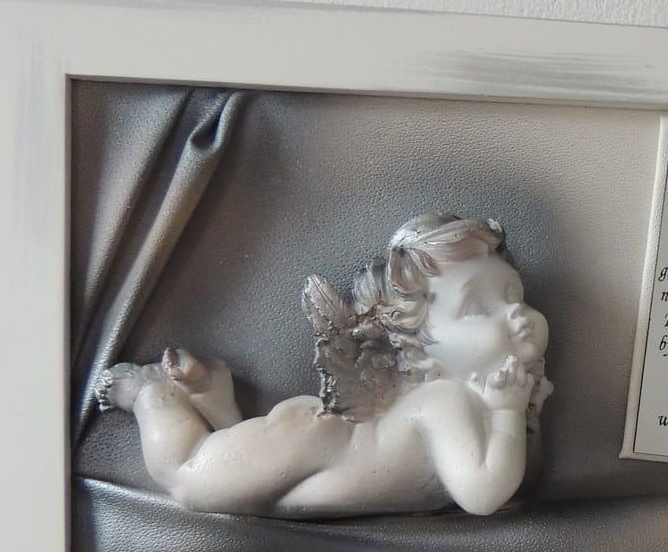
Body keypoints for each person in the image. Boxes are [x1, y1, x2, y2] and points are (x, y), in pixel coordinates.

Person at [96, 214, 552, 518]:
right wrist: (509, 413)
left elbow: (521, 481)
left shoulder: (495, 399)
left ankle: (214, 399)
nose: (515, 313)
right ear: (418, 347)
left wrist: (520, 410)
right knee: (190, 476)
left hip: (320, 477)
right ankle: (150, 392)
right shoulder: (444, 400)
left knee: (248, 497)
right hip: (315, 442)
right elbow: (483, 494)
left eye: (513, 295)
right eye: (477, 308)